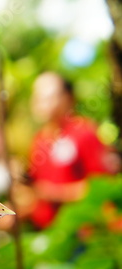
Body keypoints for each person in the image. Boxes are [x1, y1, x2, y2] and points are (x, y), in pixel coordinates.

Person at [28, 72, 119, 228]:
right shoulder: (39, 140)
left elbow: (103, 186)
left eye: (49, 97)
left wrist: (56, 193)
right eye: (38, 97)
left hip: (82, 234)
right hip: (50, 235)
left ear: (68, 98)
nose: (42, 103)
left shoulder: (84, 133)